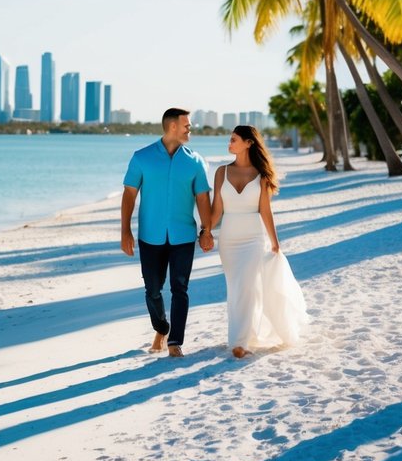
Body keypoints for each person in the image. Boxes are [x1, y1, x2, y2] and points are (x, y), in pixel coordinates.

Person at [210, 124, 308, 358]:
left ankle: (241, 342)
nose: (230, 142)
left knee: (248, 287)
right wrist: (205, 231)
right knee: (235, 289)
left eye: (234, 139)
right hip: (228, 240)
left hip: (253, 238)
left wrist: (275, 241)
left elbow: (265, 210)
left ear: (248, 143)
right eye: (230, 139)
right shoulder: (221, 172)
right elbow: (217, 210)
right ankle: (240, 336)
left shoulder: (261, 175)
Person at [121, 108, 213, 357]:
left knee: (179, 288)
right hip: (150, 236)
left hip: (183, 236)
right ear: (173, 126)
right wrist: (125, 231)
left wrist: (207, 230)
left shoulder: (195, 161)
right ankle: (161, 328)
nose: (190, 129)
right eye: (187, 126)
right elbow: (129, 195)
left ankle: (175, 342)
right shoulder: (142, 157)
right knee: (152, 289)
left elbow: (203, 198)